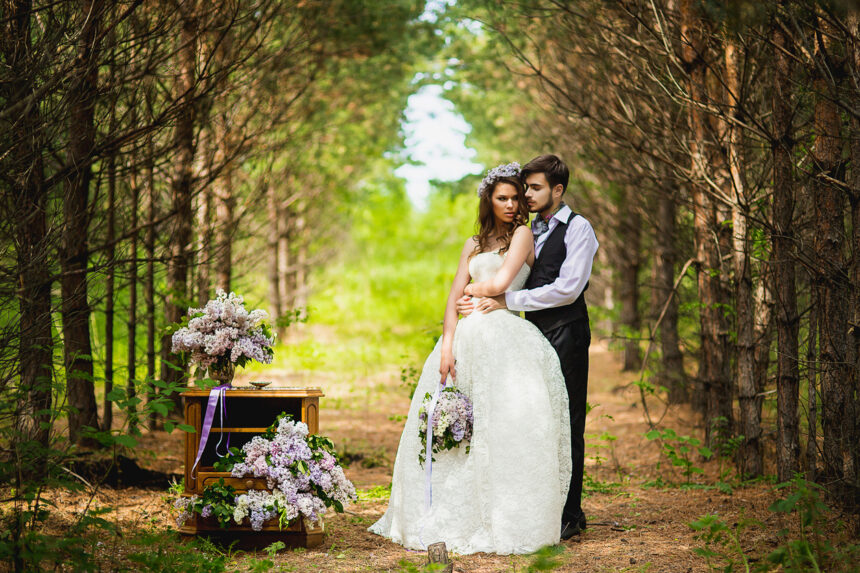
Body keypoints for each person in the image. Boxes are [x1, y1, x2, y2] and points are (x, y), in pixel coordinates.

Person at [369, 163, 572, 555]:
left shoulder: (524, 235)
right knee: (458, 422)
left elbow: (498, 283)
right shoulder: (473, 243)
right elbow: (451, 298)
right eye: (503, 198)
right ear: (489, 200)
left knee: (505, 425)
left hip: (506, 336)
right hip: (465, 339)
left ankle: (505, 512)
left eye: (516, 198)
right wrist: (447, 344)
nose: (512, 205)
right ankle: (448, 508)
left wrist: (477, 292)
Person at [459, 154, 598, 540]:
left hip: (566, 331)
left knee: (568, 419)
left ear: (558, 190)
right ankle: (541, 503)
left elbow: (568, 289)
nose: (527, 196)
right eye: (525, 189)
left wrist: (507, 302)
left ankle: (570, 513)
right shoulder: (528, 230)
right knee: (536, 418)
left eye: (535, 189)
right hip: (529, 336)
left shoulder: (579, 228)